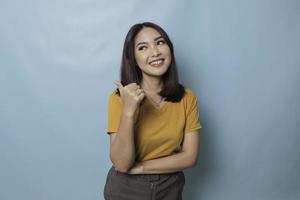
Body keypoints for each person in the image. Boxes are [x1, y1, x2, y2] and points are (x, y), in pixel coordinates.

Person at [103, 22, 202, 200]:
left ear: (169, 48)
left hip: (170, 187)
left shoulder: (187, 97)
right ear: (133, 57)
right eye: (143, 47)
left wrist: (141, 168)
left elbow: (190, 156)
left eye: (160, 43)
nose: (155, 52)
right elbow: (122, 164)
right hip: (126, 189)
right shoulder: (119, 99)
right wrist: (128, 111)